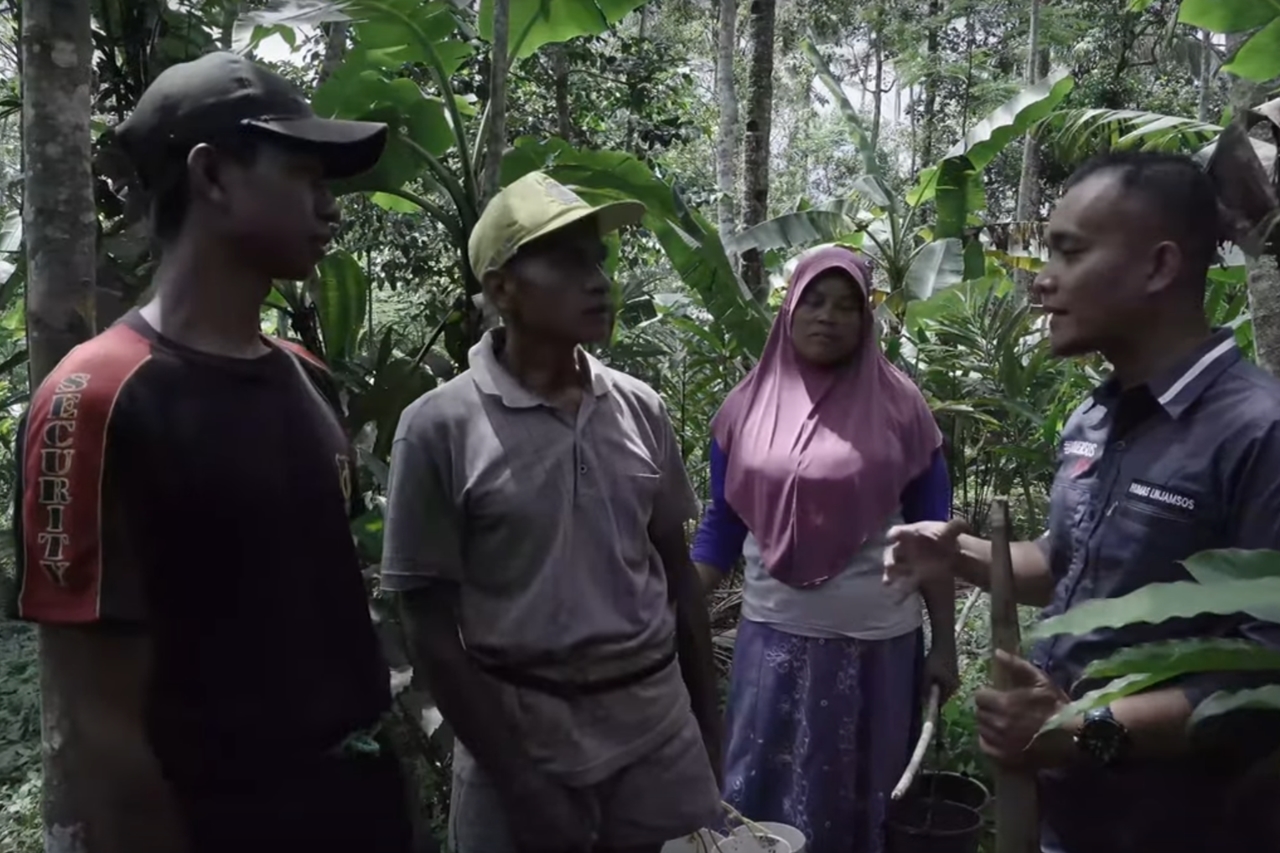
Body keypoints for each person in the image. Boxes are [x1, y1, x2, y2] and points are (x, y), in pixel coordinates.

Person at [9, 52, 412, 853]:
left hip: (359, 806)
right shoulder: (94, 397)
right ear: (214, 175)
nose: (328, 206)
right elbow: (103, 727)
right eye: (303, 173)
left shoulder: (304, 376)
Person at [885, 151, 1280, 853]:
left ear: (1158, 267)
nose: (1042, 281)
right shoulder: (1093, 419)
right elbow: (1066, 563)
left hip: (1189, 827)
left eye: (1069, 252)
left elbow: (1263, 686)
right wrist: (961, 555)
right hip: (1067, 818)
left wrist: (1083, 733)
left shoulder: (1258, 433)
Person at [380, 170, 722, 853]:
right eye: (566, 261)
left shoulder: (638, 406)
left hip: (655, 728)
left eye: (597, 259)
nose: (597, 279)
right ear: (502, 287)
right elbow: (427, 622)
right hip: (519, 736)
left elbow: (676, 573)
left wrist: (707, 729)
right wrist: (521, 782)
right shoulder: (439, 426)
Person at [691, 245, 957, 853]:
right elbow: (720, 529)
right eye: (813, 300)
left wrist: (943, 642)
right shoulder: (743, 410)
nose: (827, 317)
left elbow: (932, 533)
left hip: (875, 646)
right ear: (788, 308)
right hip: (772, 641)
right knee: (761, 802)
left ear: (867, 321)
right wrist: (668, 608)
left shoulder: (902, 408)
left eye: (847, 306)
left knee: (862, 803)